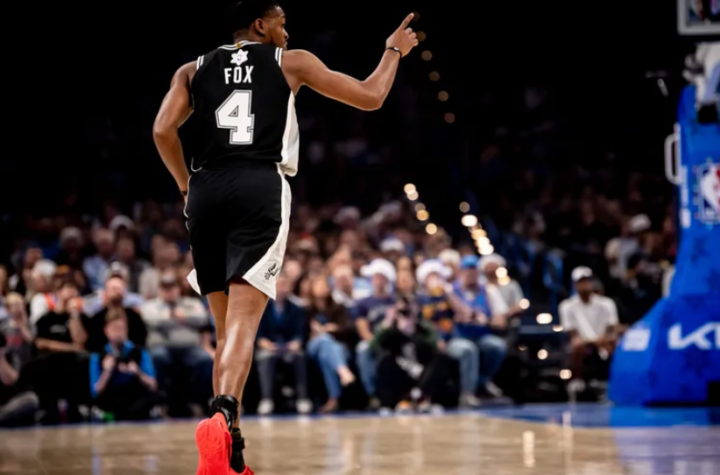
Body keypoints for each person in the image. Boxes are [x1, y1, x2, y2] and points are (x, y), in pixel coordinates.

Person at [152, 0, 418, 472]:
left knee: (224, 331)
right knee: (243, 324)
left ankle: (231, 454)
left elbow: (161, 130)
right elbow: (371, 96)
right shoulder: (289, 62)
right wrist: (392, 51)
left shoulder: (192, 69)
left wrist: (184, 184)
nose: (287, 32)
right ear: (260, 24)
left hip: (206, 191)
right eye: (282, 23)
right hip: (258, 186)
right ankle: (223, 415)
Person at [255, 271, 310, 415]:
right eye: (280, 284)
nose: (283, 288)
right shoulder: (262, 306)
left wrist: (296, 343)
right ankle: (266, 399)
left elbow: (300, 333)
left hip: (289, 347)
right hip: (269, 348)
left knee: (299, 356)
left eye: (286, 285)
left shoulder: (297, 308)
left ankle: (302, 398)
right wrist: (264, 343)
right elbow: (258, 334)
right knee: (265, 358)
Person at [559, 267, 621, 389]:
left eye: (587, 280)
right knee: (577, 345)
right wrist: (594, 341)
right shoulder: (566, 306)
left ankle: (615, 380)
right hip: (583, 343)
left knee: (616, 343)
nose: (585, 284)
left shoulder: (606, 303)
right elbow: (573, 334)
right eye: (581, 281)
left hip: (604, 340)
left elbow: (611, 327)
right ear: (575, 285)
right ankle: (577, 379)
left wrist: (604, 339)